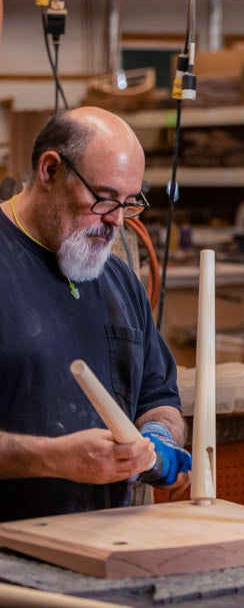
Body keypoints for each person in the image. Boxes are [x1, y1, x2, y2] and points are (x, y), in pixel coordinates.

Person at [0, 107, 191, 522]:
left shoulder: (118, 280)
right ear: (50, 170)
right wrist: (52, 458)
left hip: (101, 550)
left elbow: (158, 399)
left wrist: (158, 439)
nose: (117, 221)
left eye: (129, 203)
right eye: (104, 199)